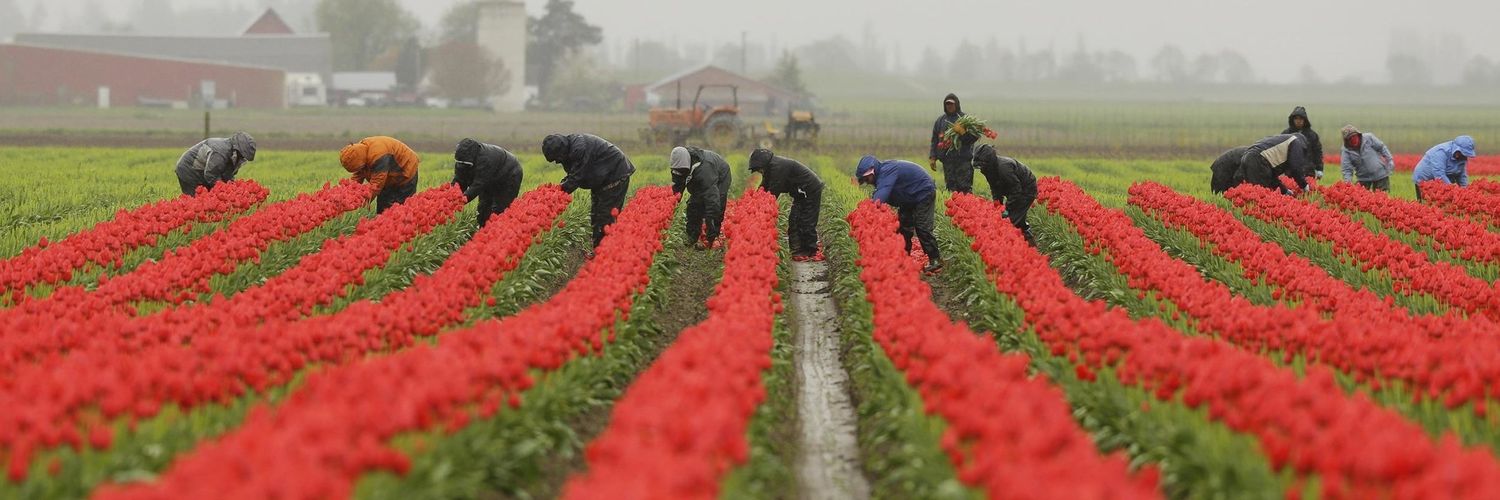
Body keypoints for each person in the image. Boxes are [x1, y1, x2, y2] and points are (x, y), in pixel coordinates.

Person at [542, 133, 636, 249]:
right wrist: (557, 188)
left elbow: (576, 178)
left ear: (561, 151)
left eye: (557, 158)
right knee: (595, 216)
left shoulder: (578, 149)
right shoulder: (570, 147)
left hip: (614, 175)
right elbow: (573, 175)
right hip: (602, 180)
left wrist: (554, 195)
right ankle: (598, 250)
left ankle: (606, 254)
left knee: (605, 217)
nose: (557, 162)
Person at [856, 155, 943, 273]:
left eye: (867, 178)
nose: (867, 182)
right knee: (903, 228)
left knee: (922, 226)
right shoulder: (882, 174)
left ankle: (935, 259)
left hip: (923, 192)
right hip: (908, 197)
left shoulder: (887, 171)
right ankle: (902, 258)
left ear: (873, 171)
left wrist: (868, 212)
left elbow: (881, 195)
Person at [749, 148, 824, 261]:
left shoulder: (778, 167)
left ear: (763, 164)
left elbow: (773, 191)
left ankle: (811, 250)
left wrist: (761, 209)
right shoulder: (771, 167)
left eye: (759, 170)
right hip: (800, 193)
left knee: (806, 220)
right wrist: (753, 201)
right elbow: (764, 187)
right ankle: (798, 251)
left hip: (810, 189)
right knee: (794, 219)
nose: (760, 172)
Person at [972, 145, 1037, 246]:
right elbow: (994, 188)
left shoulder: (1004, 168)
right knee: (1016, 220)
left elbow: (1016, 190)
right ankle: (1030, 248)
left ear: (989, 161)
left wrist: (1007, 208)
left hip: (1026, 190)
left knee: (1011, 221)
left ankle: (1019, 250)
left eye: (981, 165)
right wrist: (997, 205)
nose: (980, 169)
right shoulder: (988, 169)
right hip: (1015, 190)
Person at [1209, 133, 1313, 195]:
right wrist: (1304, 185)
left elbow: (1270, 176)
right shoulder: (1296, 142)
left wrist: (1284, 190)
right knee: (1260, 195)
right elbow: (1296, 168)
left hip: (1254, 161)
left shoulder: (1274, 150)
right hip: (1225, 167)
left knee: (1257, 192)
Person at [452, 138, 523, 227]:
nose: (462, 165)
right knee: (483, 209)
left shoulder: (485, 160)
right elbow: (459, 180)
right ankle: (483, 233)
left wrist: (459, 201)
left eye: (465, 164)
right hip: (491, 177)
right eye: (461, 163)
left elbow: (478, 185)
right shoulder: (462, 159)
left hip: (509, 175)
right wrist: (450, 197)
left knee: (501, 209)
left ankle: (502, 236)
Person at [339, 136, 421, 214]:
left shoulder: (378, 155)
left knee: (401, 208)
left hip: (405, 171)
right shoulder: (359, 151)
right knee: (383, 207)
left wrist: (364, 202)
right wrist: (347, 196)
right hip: (389, 176)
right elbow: (357, 176)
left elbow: (377, 184)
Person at [670, 146, 731, 249]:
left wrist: (710, 225)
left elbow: (712, 199)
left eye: (682, 171)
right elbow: (678, 185)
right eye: (677, 171)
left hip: (721, 175)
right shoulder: (679, 166)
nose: (679, 173)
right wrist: (673, 202)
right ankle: (692, 236)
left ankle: (712, 237)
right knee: (694, 204)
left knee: (716, 203)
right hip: (698, 176)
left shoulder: (704, 170)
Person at [174, 131, 256, 196]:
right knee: (197, 201)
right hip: (188, 170)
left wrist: (233, 188)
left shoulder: (233, 154)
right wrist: (225, 190)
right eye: (242, 156)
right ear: (237, 150)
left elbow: (227, 175)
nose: (242, 159)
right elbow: (211, 175)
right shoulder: (220, 153)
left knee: (210, 198)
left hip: (202, 171)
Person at [928, 93, 980, 193]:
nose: (949, 106)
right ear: (944, 105)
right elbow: (934, 140)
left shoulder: (965, 119)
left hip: (963, 161)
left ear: (956, 104)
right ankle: (954, 209)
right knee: (951, 189)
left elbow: (973, 138)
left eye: (952, 104)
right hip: (948, 162)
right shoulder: (940, 120)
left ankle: (967, 208)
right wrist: (932, 157)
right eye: (947, 104)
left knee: (965, 189)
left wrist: (963, 132)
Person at [1412, 135, 1478, 200]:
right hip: (1426, 179)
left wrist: (1465, 191)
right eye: (1463, 153)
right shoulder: (1441, 152)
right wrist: (1453, 190)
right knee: (1428, 204)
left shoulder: (1462, 157)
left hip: (1444, 179)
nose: (1464, 156)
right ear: (1457, 150)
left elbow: (1461, 175)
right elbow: (1439, 175)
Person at [1339, 125, 1395, 192]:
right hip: (1363, 178)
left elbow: (1382, 147)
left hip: (1380, 174)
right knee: (1360, 198)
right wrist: (1348, 183)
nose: (1353, 139)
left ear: (1358, 135)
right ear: (1346, 141)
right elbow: (1347, 169)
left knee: (1382, 198)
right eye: (1350, 138)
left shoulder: (1369, 138)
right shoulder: (1346, 151)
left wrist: (1389, 159)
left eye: (1354, 136)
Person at [1284, 106, 1325, 181]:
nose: (1298, 121)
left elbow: (1317, 152)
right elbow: (1281, 152)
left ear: (1305, 120)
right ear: (1292, 120)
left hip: (1308, 172)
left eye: (1300, 118)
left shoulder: (1312, 135)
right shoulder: (1286, 134)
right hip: (1290, 172)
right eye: (1296, 118)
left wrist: (1319, 169)